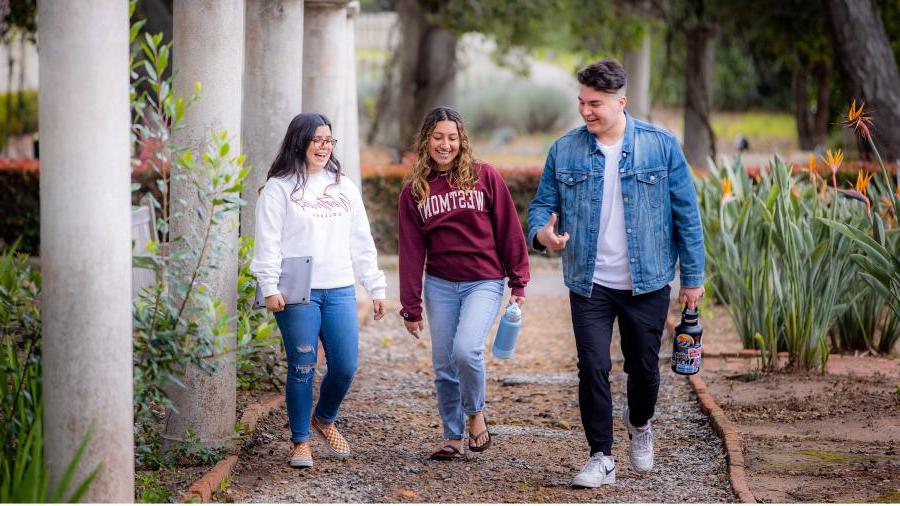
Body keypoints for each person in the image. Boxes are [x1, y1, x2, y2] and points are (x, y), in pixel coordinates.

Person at [527, 59, 705, 487]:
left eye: (596, 104)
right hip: (589, 282)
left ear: (620, 102)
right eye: (582, 103)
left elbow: (687, 214)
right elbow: (540, 208)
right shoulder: (564, 149)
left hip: (646, 282)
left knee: (643, 369)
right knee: (591, 366)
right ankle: (600, 456)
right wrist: (542, 235)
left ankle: (640, 423)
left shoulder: (660, 145)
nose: (586, 112)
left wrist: (693, 278)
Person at [251, 113, 387, 468]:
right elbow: (267, 242)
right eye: (317, 140)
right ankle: (300, 441)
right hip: (297, 290)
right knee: (302, 367)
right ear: (300, 142)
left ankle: (323, 418)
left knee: (345, 366)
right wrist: (268, 285)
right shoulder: (279, 188)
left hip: (340, 287)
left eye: (329, 140)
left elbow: (361, 241)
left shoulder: (345, 187)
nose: (324, 147)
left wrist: (375, 286)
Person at [398, 106, 530, 460]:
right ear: (426, 140)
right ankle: (452, 436)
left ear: (462, 141)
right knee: (443, 364)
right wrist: (410, 306)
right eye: (438, 137)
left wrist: (518, 283)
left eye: (452, 138)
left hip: (483, 282)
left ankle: (475, 415)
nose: (445, 144)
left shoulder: (484, 176)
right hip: (440, 284)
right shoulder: (415, 191)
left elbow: (509, 230)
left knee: (466, 350)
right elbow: (411, 254)